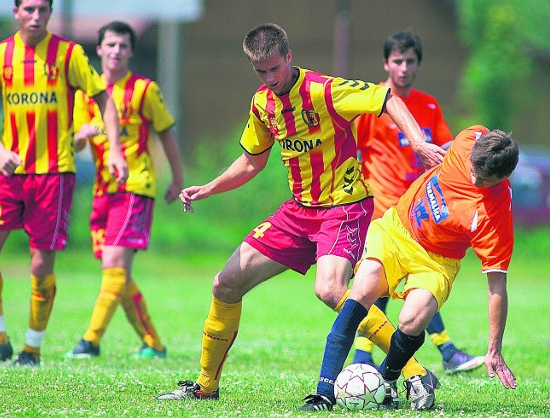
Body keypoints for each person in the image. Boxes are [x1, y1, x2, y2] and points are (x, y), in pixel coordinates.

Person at [155, 23, 445, 408]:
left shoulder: (324, 90)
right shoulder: (263, 104)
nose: (270, 78)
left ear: (288, 57)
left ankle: (415, 373)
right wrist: (208, 187)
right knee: (224, 283)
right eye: (261, 72)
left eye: (275, 69)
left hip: (344, 207)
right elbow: (250, 162)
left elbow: (386, 96)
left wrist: (419, 141)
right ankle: (205, 387)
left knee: (331, 290)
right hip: (297, 213)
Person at [303, 125, 518, 410]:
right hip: (397, 229)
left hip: (438, 260)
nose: (473, 177)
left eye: (483, 179)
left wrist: (494, 349)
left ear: (503, 178)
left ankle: (388, 379)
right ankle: (323, 393)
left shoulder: (494, 215)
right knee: (363, 288)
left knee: (412, 320)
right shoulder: (471, 139)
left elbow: (497, 286)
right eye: (472, 168)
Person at [0, 0, 127, 367]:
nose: (36, 16)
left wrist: (115, 150)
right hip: (10, 173)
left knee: (41, 265)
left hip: (55, 174)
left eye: (43, 10)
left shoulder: (68, 53)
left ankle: (32, 349)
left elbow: (103, 99)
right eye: (29, 9)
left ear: (50, 12)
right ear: (16, 12)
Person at [353, 30, 484, 373]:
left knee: (418, 284)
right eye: (397, 60)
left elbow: (445, 150)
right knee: (385, 283)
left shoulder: (427, 105)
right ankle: (444, 351)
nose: (404, 67)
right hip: (384, 211)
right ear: (386, 63)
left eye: (410, 61)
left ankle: (364, 355)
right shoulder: (372, 105)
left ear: (418, 64)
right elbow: (347, 147)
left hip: (421, 211)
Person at [65, 21, 184, 360]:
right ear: (99, 50)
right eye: (110, 45)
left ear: (131, 51)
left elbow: (166, 133)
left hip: (136, 185)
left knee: (115, 263)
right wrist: (81, 136)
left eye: (122, 46)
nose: (116, 51)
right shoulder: (86, 95)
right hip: (103, 190)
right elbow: (72, 144)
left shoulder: (145, 90)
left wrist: (177, 178)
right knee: (115, 272)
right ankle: (153, 343)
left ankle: (90, 340)